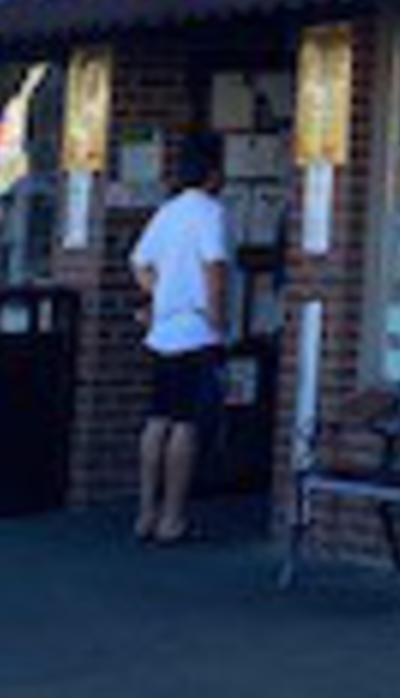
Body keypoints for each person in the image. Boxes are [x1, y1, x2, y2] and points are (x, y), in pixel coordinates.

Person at [128, 132, 232, 544]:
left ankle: (144, 514)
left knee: (157, 420)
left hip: (162, 332)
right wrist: (217, 319)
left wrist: (162, 292)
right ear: (212, 172)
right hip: (195, 331)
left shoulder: (167, 212)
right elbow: (215, 269)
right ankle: (173, 518)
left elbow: (139, 264)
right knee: (186, 425)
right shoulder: (211, 212)